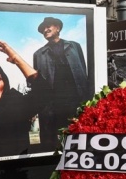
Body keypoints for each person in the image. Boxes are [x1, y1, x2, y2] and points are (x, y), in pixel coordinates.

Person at [33, 16, 92, 150]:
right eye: (43, 29)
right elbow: (36, 84)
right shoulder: (38, 54)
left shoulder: (74, 46)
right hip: (53, 106)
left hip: (76, 101)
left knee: (80, 140)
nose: (45, 30)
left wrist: (87, 99)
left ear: (58, 28)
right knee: (54, 143)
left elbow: (83, 72)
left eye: (48, 26)